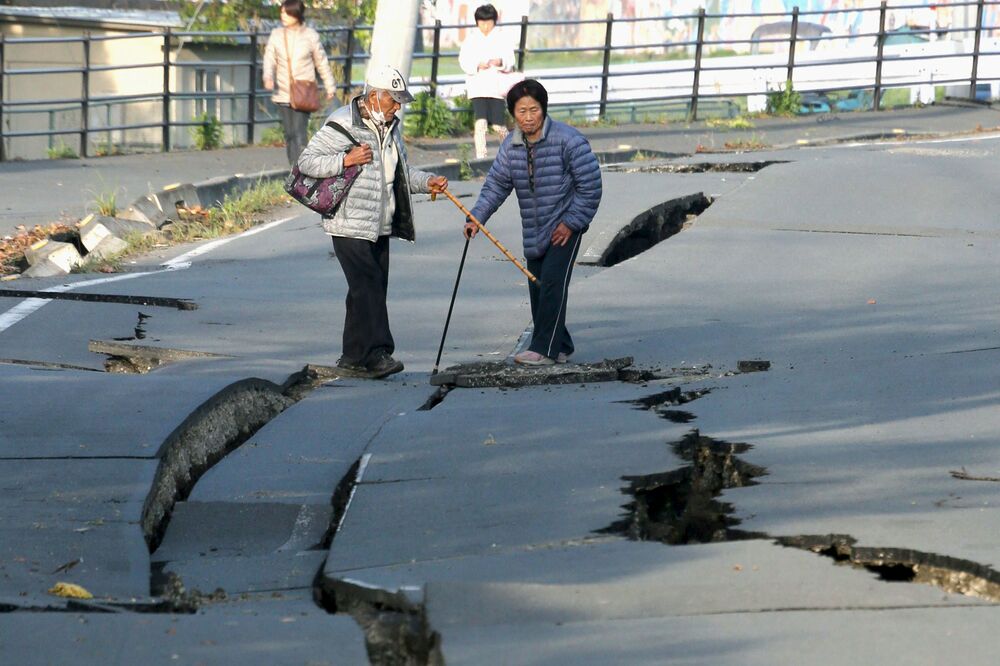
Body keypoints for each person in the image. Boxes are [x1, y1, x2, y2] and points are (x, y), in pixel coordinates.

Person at [297, 64, 449, 378]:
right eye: (394, 100)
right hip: (349, 222)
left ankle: (353, 355)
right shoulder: (342, 123)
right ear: (375, 96)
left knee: (366, 288)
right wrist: (345, 159)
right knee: (368, 286)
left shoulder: (390, 130)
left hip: (380, 223)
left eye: (400, 101)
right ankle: (379, 353)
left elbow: (401, 174)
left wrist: (428, 181)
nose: (398, 107)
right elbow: (306, 162)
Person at [465, 79, 602, 366]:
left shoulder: (569, 140)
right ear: (512, 114)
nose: (528, 117)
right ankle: (561, 343)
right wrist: (476, 217)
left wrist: (572, 222)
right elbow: (496, 186)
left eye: (534, 110)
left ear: (544, 109)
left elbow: (590, 186)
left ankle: (544, 350)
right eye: (521, 111)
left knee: (552, 282)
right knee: (539, 285)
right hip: (534, 228)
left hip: (566, 225)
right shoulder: (510, 147)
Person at [263, 0, 336, 165]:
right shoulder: (276, 35)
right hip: (282, 90)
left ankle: (302, 169)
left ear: (297, 14)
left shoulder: (310, 35)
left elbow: (321, 62)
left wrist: (330, 85)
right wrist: (267, 76)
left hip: (303, 90)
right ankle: (293, 169)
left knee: (299, 132)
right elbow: (269, 58)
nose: (283, 16)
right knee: (289, 133)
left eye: (287, 13)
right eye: (281, 13)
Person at [459, 4, 514, 159]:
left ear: (494, 21)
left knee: (498, 125)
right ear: (477, 22)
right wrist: (477, 64)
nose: (485, 26)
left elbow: (510, 60)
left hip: (496, 88)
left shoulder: (502, 38)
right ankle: (480, 156)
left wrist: (500, 61)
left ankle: (509, 151)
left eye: (488, 22)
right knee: (480, 123)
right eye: (482, 22)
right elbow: (463, 60)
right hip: (477, 87)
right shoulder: (471, 39)